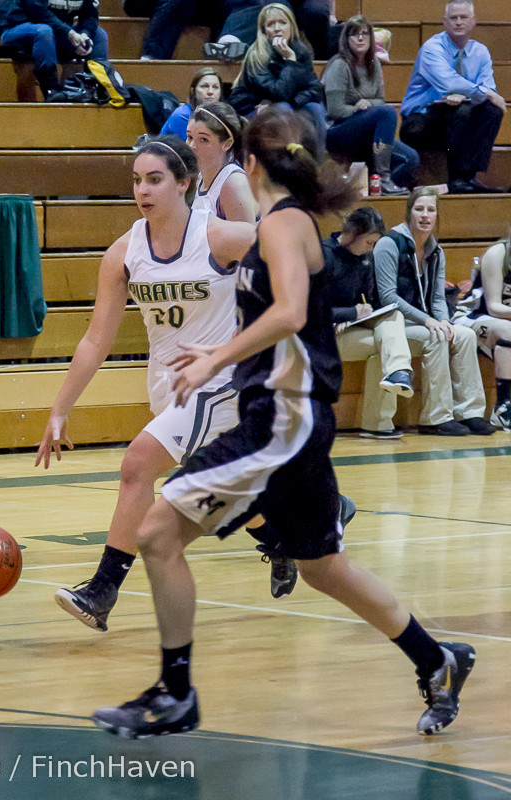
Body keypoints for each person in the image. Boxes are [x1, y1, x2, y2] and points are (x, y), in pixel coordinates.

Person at [91, 106, 477, 741]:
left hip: (283, 420)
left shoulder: (280, 225)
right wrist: (221, 351)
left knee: (157, 536)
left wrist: (216, 354)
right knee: (323, 567)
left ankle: (176, 693)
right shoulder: (282, 224)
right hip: (290, 419)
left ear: (248, 161)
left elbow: (293, 310)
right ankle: (437, 660)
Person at [38, 134, 306, 632]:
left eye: (155, 179)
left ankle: (102, 591)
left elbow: (289, 244)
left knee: (138, 465)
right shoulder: (123, 252)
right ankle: (290, 534)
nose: (143, 189)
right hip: (168, 386)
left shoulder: (218, 236)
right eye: (137, 180)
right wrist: (60, 409)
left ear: (183, 183)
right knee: (224, 491)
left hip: (221, 379)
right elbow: (96, 341)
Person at [373, 187, 494, 436]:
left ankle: (469, 412)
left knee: (464, 335)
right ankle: (435, 417)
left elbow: (439, 297)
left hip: (425, 321)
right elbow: (387, 297)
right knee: (436, 336)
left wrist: (443, 320)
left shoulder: (436, 251)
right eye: (419, 209)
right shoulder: (389, 244)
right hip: (393, 323)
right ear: (409, 213)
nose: (425, 215)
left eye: (431, 210)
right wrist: (429, 321)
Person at [324, 207, 414, 439]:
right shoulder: (323, 255)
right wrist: (348, 313)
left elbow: (371, 303)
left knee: (393, 317)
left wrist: (362, 315)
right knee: (385, 347)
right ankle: (379, 421)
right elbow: (309, 310)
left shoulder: (365, 258)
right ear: (353, 234)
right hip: (322, 335)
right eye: (369, 243)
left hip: (350, 329)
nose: (372, 249)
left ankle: (397, 374)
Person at [399, 0, 505, 195]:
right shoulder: (433, 48)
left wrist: (476, 95)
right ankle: (456, 179)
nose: (458, 22)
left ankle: (469, 177)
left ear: (473, 21)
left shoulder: (480, 51)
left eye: (463, 17)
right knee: (462, 110)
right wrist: (484, 93)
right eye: (453, 18)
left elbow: (488, 87)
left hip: (456, 121)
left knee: (492, 111)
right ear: (445, 23)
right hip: (419, 122)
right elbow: (449, 83)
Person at [322, 15, 419, 195]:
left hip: (366, 133)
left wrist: (368, 104)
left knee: (411, 158)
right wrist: (358, 109)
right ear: (346, 39)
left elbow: (379, 100)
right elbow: (335, 109)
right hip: (338, 131)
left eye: (365, 34)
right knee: (387, 113)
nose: (360, 38)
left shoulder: (374, 64)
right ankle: (383, 176)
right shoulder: (339, 65)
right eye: (355, 34)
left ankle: (376, 186)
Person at [229, 3, 327, 153]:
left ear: (291, 26)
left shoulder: (300, 51)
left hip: (284, 105)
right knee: (281, 109)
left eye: (282, 23)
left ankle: (314, 166)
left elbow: (315, 89)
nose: (277, 28)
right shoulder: (256, 55)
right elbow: (278, 92)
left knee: (316, 108)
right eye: (270, 24)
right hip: (252, 109)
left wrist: (293, 103)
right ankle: (284, 166)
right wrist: (290, 61)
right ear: (264, 31)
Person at [453, 228, 511, 431]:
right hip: (472, 317)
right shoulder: (499, 253)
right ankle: (504, 409)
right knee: (508, 331)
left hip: (502, 322)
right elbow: (494, 306)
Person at [0, 0, 109, 99]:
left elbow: (90, 15)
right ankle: (51, 90)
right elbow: (38, 13)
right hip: (17, 29)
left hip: (57, 32)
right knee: (44, 31)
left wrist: (85, 34)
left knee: (99, 34)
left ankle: (95, 86)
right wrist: (70, 33)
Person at [186, 102, 258, 224]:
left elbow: (247, 242)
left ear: (227, 144)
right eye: (189, 137)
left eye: (203, 139)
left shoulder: (234, 183)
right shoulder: (198, 176)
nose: (192, 146)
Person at [160, 67, 223, 139]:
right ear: (193, 91)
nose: (210, 92)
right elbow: (194, 148)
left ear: (220, 93)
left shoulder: (222, 116)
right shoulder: (183, 115)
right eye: (204, 86)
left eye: (215, 87)